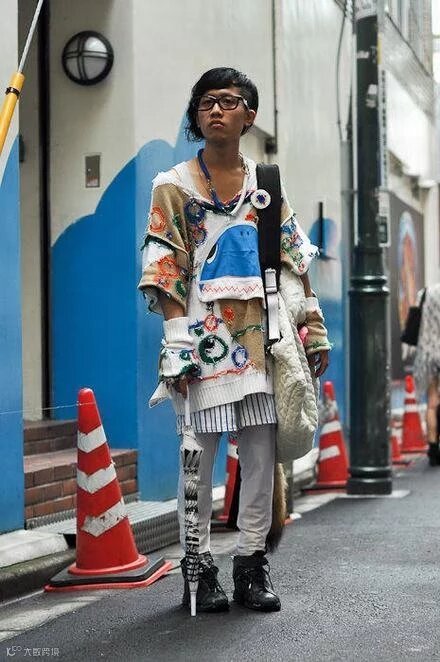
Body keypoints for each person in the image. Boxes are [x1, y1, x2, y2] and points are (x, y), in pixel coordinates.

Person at [138, 67, 331, 613]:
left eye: (229, 101)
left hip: (261, 343)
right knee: (197, 460)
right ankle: (198, 570)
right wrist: (176, 340)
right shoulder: (172, 185)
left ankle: (251, 563)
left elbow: (294, 258)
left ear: (249, 116)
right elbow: (165, 268)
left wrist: (313, 326)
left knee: (260, 459)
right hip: (198, 345)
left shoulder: (266, 185)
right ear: (196, 115)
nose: (216, 110)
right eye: (206, 102)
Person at [414, 284, 440, 465]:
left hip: (428, 353)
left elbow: (415, 319)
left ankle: (432, 448)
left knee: (432, 402)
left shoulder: (425, 293)